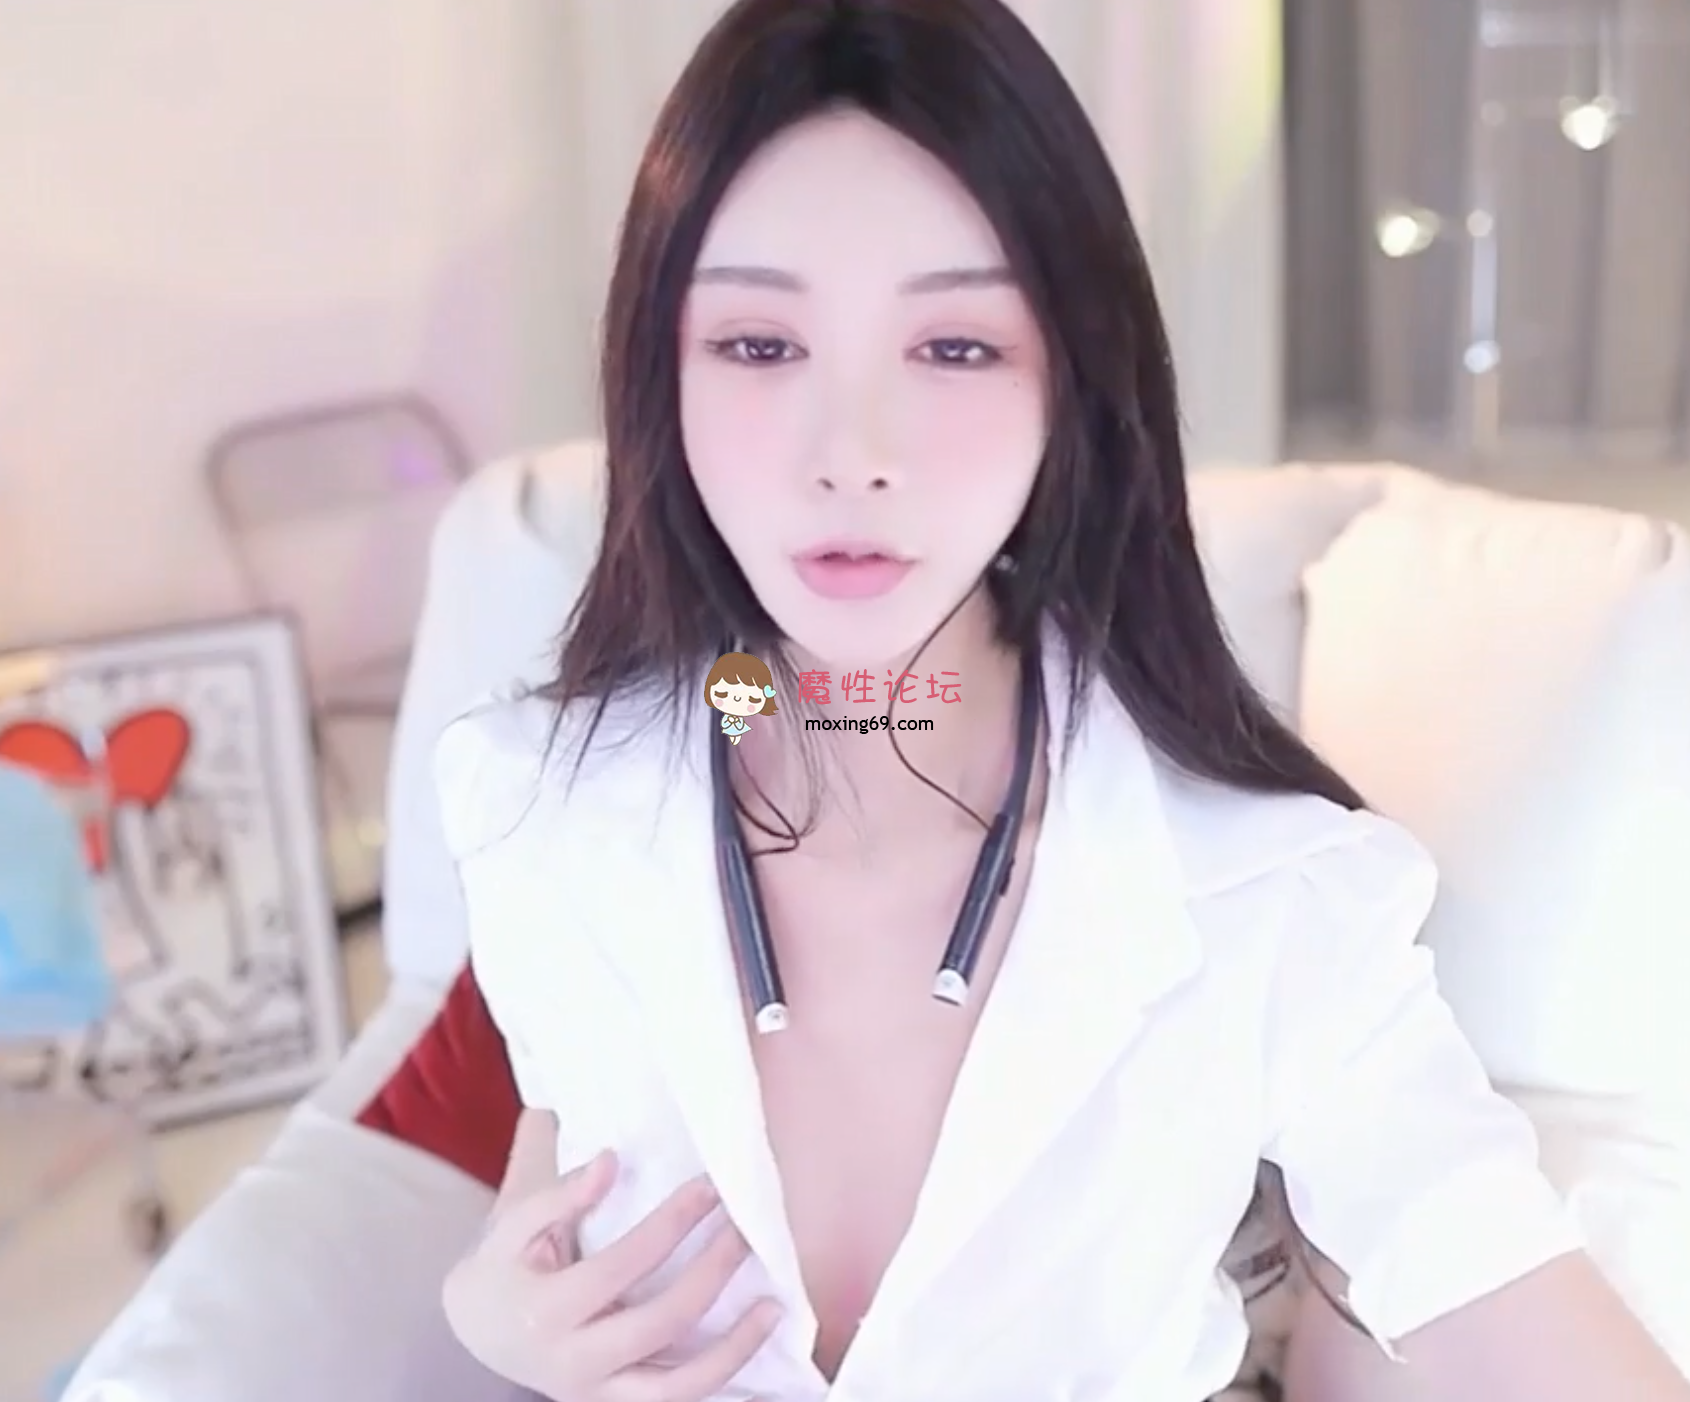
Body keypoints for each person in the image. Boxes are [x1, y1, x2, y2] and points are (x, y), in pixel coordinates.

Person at [434, 2, 1690, 1400]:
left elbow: (1501, 1285)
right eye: (759, 344)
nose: (849, 453)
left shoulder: (1269, 894)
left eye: (953, 347)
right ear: (657, 373)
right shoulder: (530, 798)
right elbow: (560, 1134)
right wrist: (488, 1307)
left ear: (1070, 386)